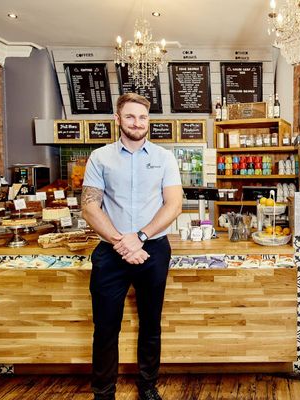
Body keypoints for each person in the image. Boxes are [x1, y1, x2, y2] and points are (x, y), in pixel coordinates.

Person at [81, 93, 182, 400]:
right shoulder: (100, 158)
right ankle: (103, 392)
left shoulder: (164, 158)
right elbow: (89, 207)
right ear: (118, 120)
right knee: (106, 327)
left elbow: (174, 204)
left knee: (151, 324)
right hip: (110, 254)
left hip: (153, 249)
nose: (137, 123)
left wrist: (138, 236)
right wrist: (121, 242)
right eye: (130, 117)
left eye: (143, 117)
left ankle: (148, 387)